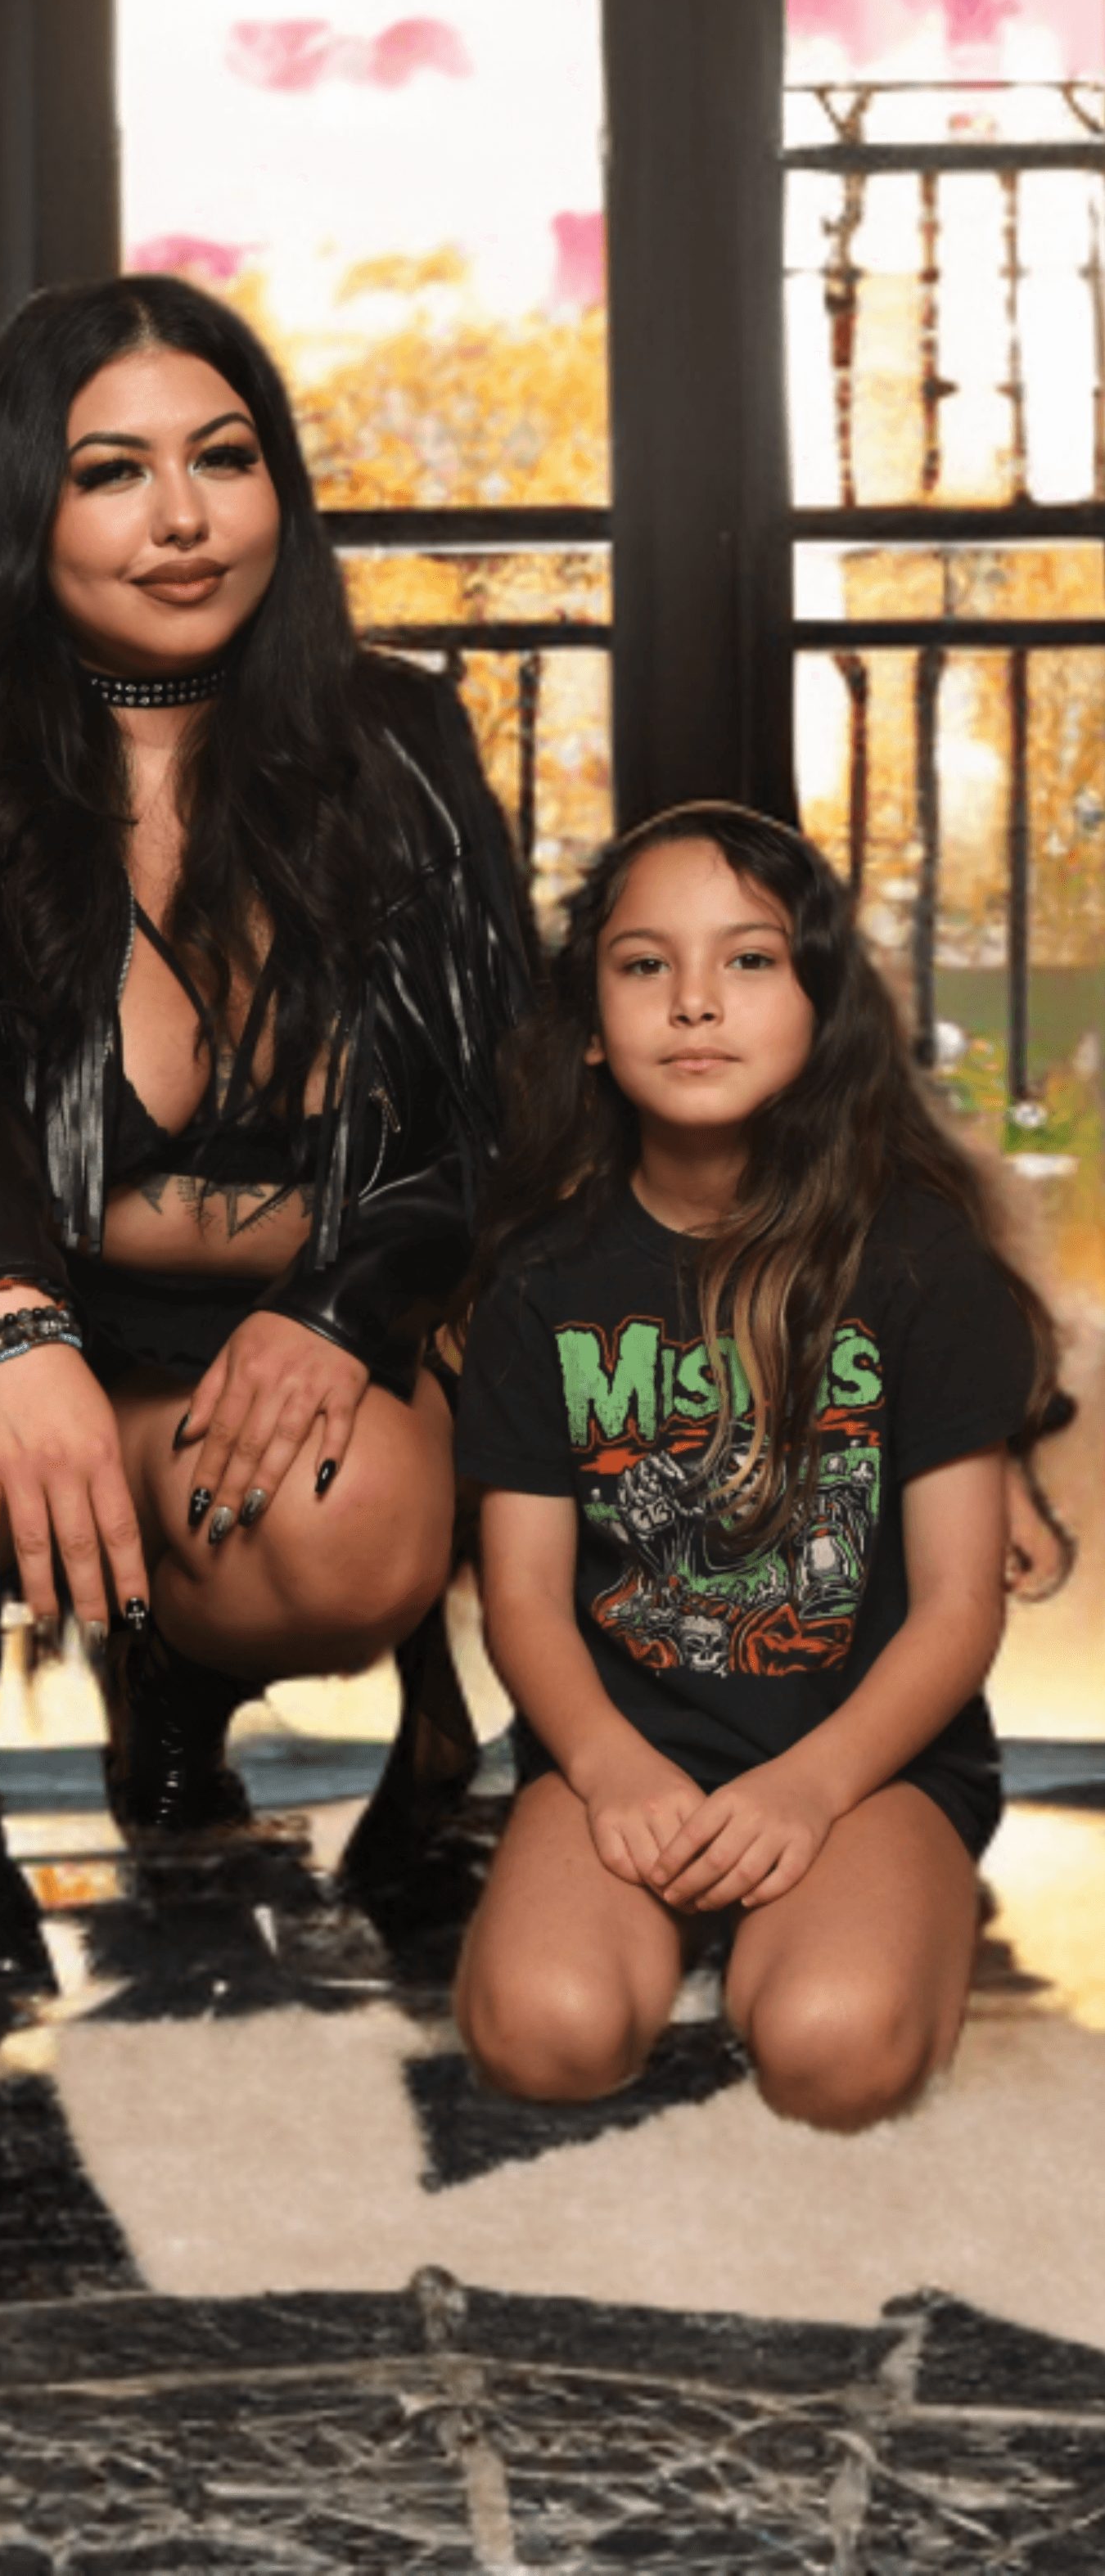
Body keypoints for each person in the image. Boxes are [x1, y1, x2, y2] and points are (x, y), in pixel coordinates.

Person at [0, 276, 533, 2012]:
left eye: (226, 456)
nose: (184, 518)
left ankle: (175, 1666)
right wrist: (10, 1317)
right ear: (22, 507)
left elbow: (480, 1104)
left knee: (347, 1552)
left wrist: (341, 1313)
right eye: (114, 471)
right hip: (5, 1348)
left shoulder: (398, 738)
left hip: (279, 1338)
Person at [452, 803, 1056, 2132]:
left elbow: (960, 1606)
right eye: (644, 963)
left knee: (833, 2052)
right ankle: (669, 1920)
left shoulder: (916, 1264)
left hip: (863, 1759)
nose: (695, 1004)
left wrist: (813, 1785)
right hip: (629, 1744)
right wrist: (607, 1765)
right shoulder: (542, 1285)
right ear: (595, 1026)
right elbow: (526, 1600)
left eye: (751, 960)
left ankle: (881, 1912)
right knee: (541, 2039)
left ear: (820, 1006)